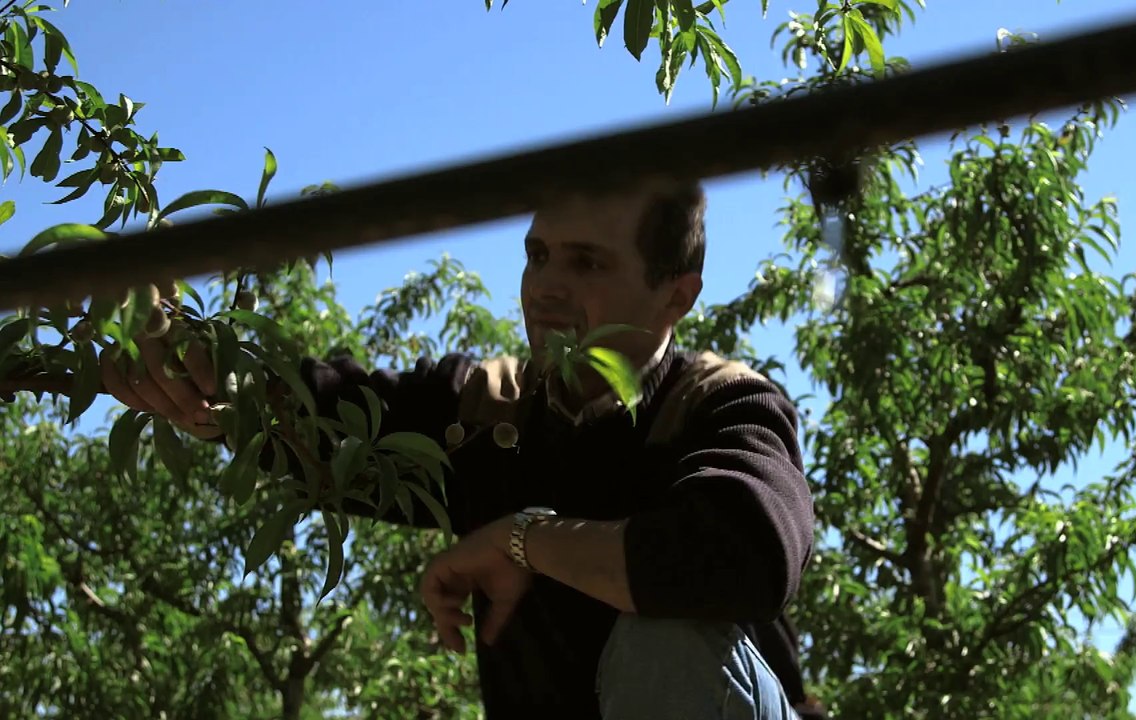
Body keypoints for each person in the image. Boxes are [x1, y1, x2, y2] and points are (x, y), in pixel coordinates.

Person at [99, 179, 826, 720]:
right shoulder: (486, 409)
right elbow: (321, 413)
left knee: (661, 640)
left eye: (587, 264)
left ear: (677, 295)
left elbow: (746, 552)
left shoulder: (721, 404)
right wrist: (201, 374)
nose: (544, 287)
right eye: (537, 255)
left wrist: (521, 540)